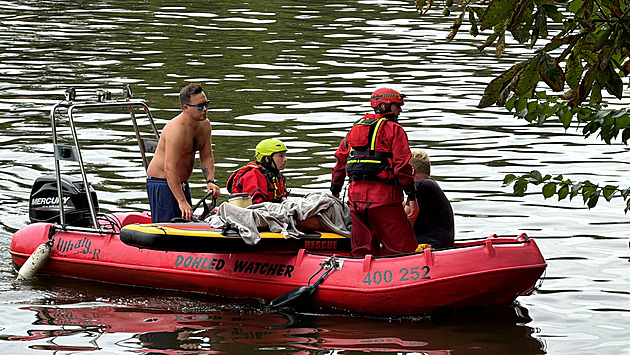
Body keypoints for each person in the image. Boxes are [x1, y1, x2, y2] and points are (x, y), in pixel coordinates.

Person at [330, 88, 419, 257]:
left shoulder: (354, 130)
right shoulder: (394, 129)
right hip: (384, 200)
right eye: (397, 106)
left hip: (356, 202)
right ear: (384, 105)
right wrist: (412, 197)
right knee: (403, 250)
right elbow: (402, 167)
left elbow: (340, 162)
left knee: (362, 251)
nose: (399, 110)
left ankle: (360, 279)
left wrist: (335, 190)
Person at [146, 83, 221, 223]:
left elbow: (206, 156)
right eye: (200, 106)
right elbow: (169, 168)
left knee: (186, 221)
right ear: (186, 108)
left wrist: (210, 180)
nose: (205, 109)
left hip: (182, 182)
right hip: (162, 183)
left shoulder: (205, 125)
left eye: (206, 104)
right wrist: (181, 201)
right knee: (169, 228)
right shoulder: (176, 130)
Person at [406, 150, 455, 249]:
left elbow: (403, 218)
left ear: (412, 170)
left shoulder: (419, 186)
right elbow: (401, 205)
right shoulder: (427, 185)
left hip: (431, 245)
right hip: (440, 242)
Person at [226, 138, 289, 204]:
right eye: (281, 156)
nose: (285, 159)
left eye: (285, 156)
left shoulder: (275, 175)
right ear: (267, 158)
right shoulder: (252, 175)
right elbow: (254, 205)